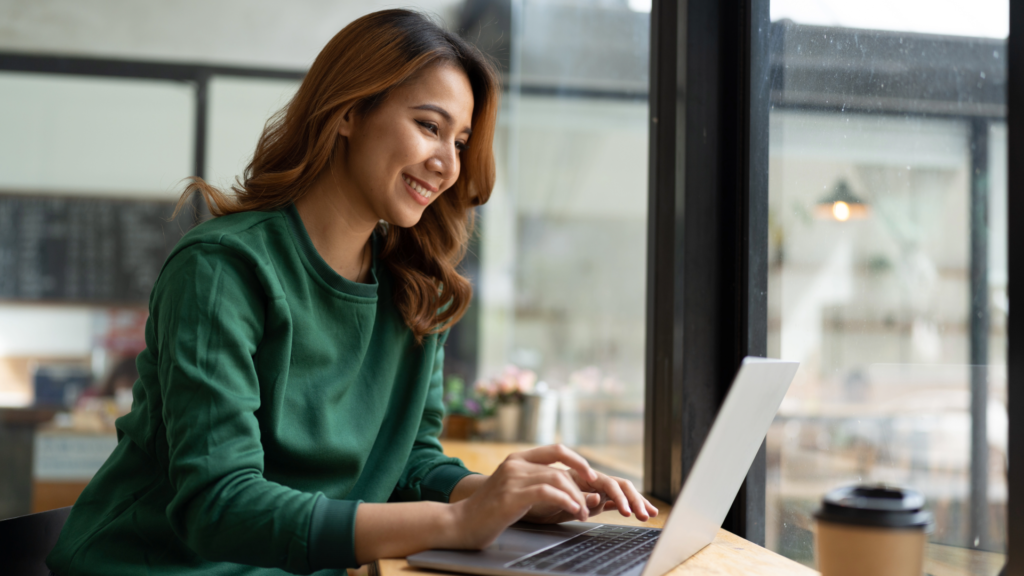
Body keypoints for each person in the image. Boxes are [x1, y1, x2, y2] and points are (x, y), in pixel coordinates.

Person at [47, 10, 656, 576]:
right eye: (428, 126)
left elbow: (408, 463)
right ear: (347, 113)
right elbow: (220, 505)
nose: (447, 163)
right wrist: (457, 520)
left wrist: (504, 496)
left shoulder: (418, 290)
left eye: (461, 142)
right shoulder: (221, 270)